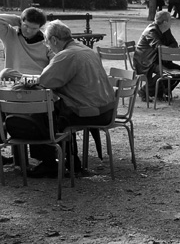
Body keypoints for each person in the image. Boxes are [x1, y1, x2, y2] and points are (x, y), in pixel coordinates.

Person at [30, 21, 116, 176]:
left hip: (88, 111)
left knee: (39, 111)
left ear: (54, 40)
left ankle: (49, 163)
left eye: (47, 42)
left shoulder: (66, 55)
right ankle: (70, 161)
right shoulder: (85, 49)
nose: (47, 46)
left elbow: (44, 81)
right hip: (106, 109)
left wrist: (25, 81)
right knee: (54, 109)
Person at [134, 11, 180, 101]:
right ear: (165, 22)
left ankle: (160, 92)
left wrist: (170, 49)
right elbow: (158, 47)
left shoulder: (165, 30)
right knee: (167, 73)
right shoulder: (151, 30)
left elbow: (173, 43)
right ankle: (145, 91)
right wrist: (170, 50)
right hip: (146, 61)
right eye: (170, 20)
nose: (171, 22)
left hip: (159, 60)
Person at [0, 7, 52, 77]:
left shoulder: (48, 43)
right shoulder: (9, 35)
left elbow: (54, 68)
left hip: (38, 81)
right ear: (20, 22)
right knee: (4, 73)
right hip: (13, 80)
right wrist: (18, 19)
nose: (29, 31)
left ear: (40, 27)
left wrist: (23, 23)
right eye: (26, 26)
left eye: (34, 28)